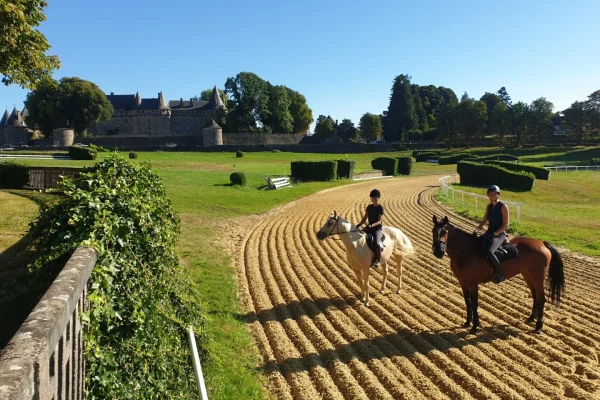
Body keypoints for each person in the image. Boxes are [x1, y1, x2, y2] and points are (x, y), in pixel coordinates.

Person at [473, 185, 509, 283]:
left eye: (494, 194)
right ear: (488, 195)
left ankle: (501, 274)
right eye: (490, 194)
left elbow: (505, 225)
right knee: (475, 244)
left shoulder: (503, 206)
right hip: (490, 232)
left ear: (498, 195)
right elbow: (484, 221)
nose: (492, 196)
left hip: (500, 234)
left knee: (489, 251)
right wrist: (477, 230)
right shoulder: (488, 207)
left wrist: (495, 233)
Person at [356, 189, 384, 268]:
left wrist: (371, 225)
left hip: (377, 229)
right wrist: (359, 224)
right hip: (370, 227)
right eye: (371, 198)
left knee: (377, 244)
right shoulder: (369, 207)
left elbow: (379, 221)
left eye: (374, 198)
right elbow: (365, 218)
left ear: (378, 198)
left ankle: (377, 260)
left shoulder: (380, 208)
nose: (372, 199)